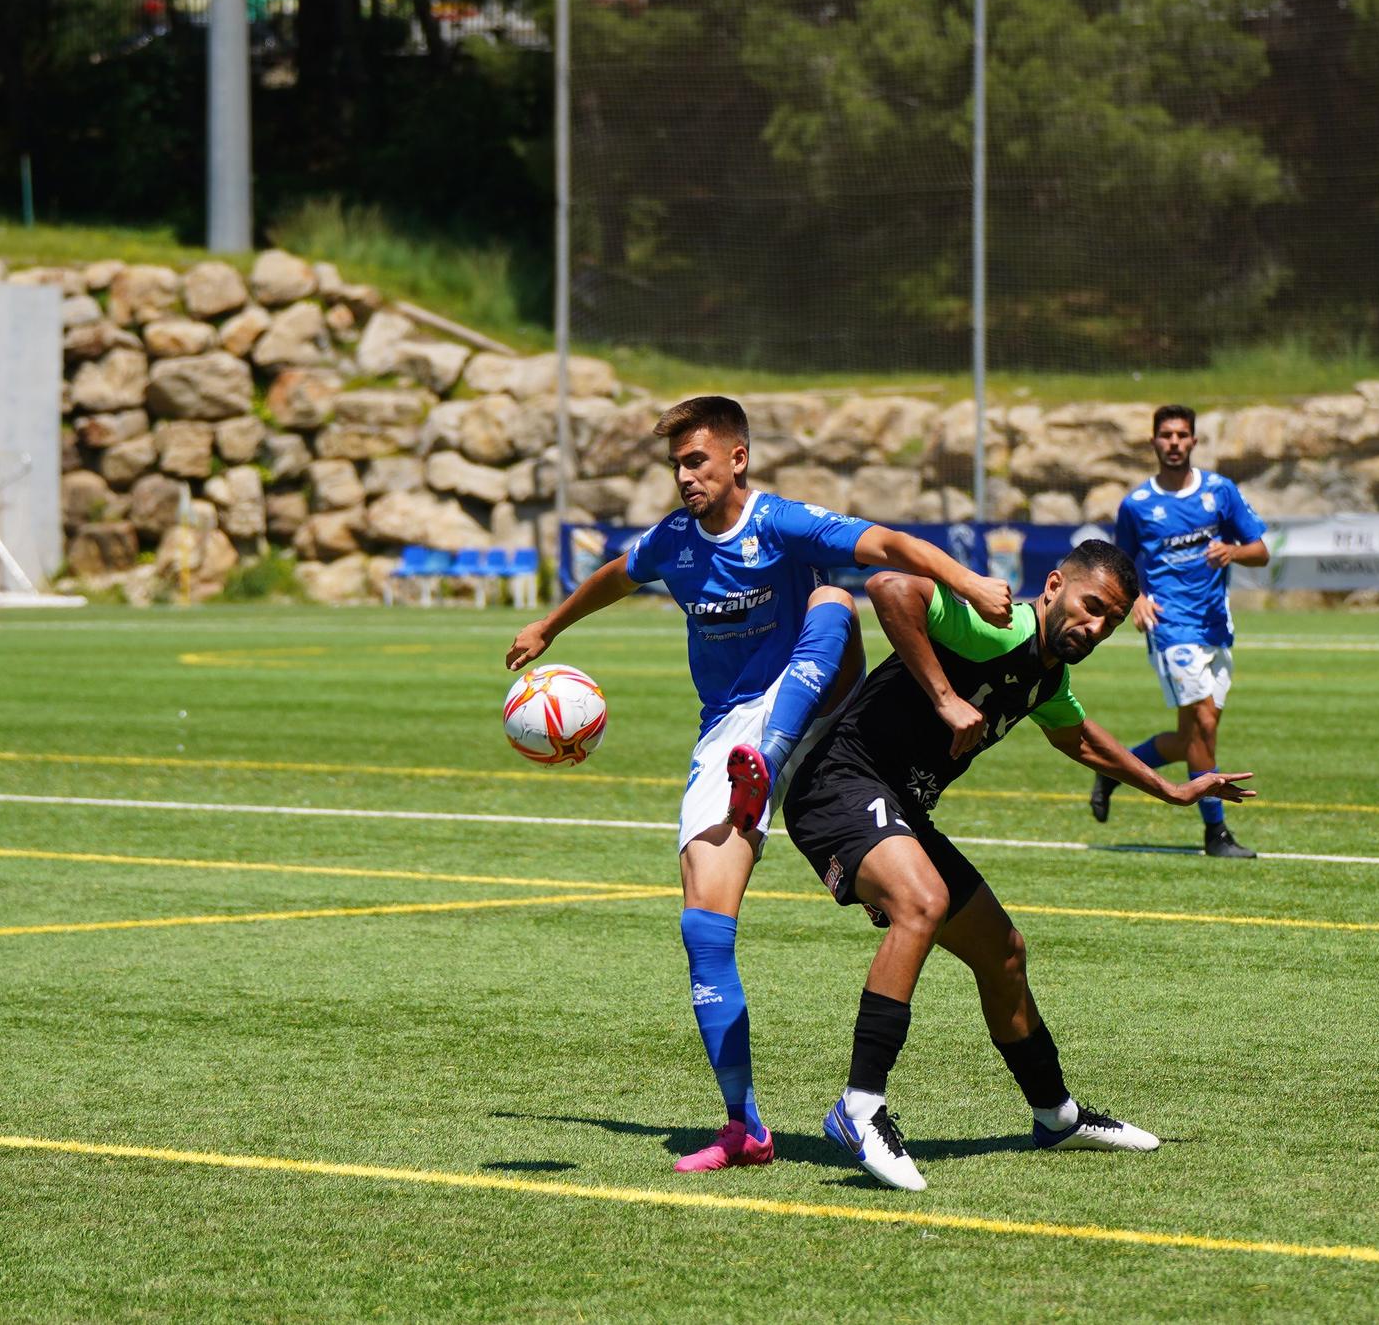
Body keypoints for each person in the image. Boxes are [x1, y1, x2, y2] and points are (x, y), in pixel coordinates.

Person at [505, 395, 1012, 1174]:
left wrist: (971, 582)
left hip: (816, 712)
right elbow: (616, 574)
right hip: (727, 734)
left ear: (737, 457)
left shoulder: (780, 522)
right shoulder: (674, 541)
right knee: (703, 931)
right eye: (676, 463)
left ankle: (772, 762)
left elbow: (887, 542)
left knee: (834, 599)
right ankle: (744, 1126)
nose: (683, 476)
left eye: (696, 460)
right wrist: (550, 626)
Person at [784, 541, 1254, 1191]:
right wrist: (945, 696)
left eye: (1111, 621)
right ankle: (860, 1104)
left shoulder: (1048, 677)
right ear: (1055, 585)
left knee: (1003, 952)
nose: (1095, 627)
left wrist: (1172, 790)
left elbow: (1079, 737)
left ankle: (1055, 1114)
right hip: (836, 790)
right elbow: (892, 587)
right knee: (921, 903)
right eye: (1090, 606)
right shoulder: (995, 624)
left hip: (900, 809)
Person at [1089, 404, 1268, 858]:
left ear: (1193, 441)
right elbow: (1119, 566)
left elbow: (1261, 550)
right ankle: (1216, 834)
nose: (1173, 442)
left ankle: (1114, 771)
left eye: (1181, 435)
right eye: (1165, 435)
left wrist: (1233, 551)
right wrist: (1138, 598)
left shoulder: (1219, 493)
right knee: (1205, 727)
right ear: (1153, 442)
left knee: (1191, 739)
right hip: (1170, 628)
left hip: (1216, 627)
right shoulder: (1138, 505)